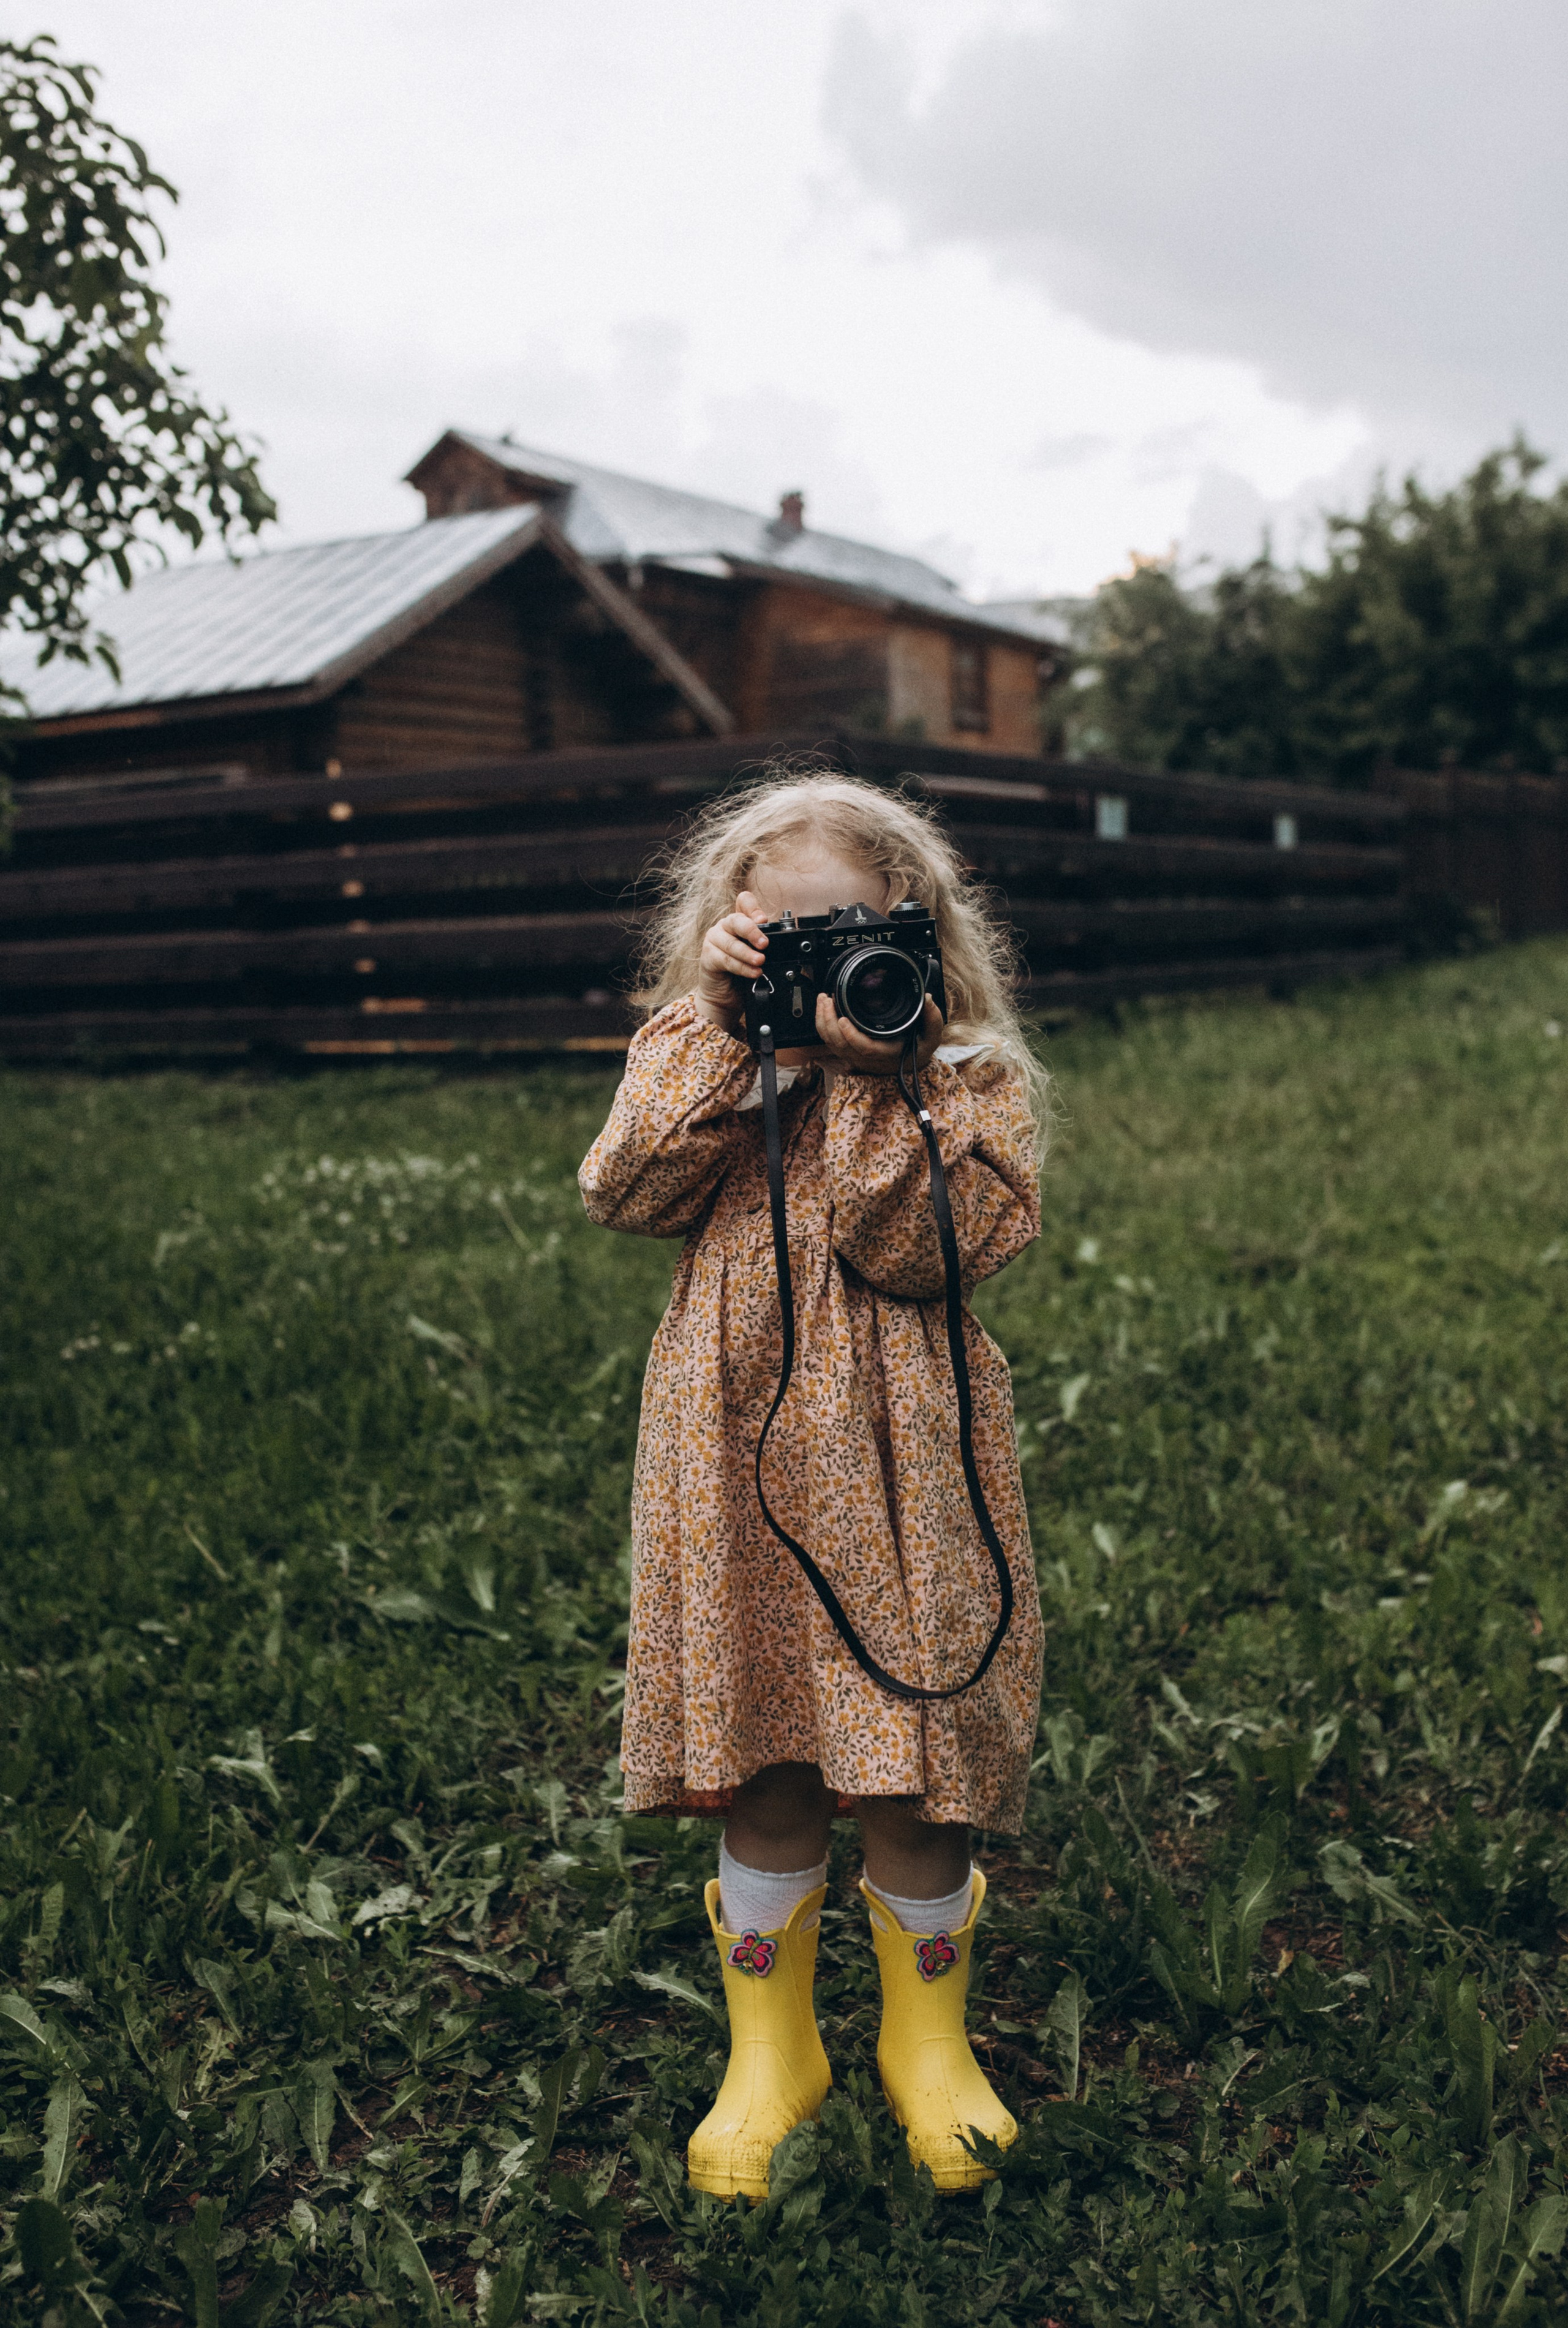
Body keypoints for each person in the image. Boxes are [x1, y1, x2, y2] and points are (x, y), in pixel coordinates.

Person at [578, 768, 1047, 2197]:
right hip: (734, 1446)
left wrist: (875, 1074)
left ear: (918, 929)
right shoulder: (701, 1054)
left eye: (863, 937)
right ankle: (771, 2045)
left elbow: (914, 1246)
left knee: (917, 1756)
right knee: (765, 1746)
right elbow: (623, 1188)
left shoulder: (966, 1081)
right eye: (796, 939)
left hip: (910, 1456)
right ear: (735, 933)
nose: (836, 966)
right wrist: (736, 1038)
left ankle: (927, 2040)